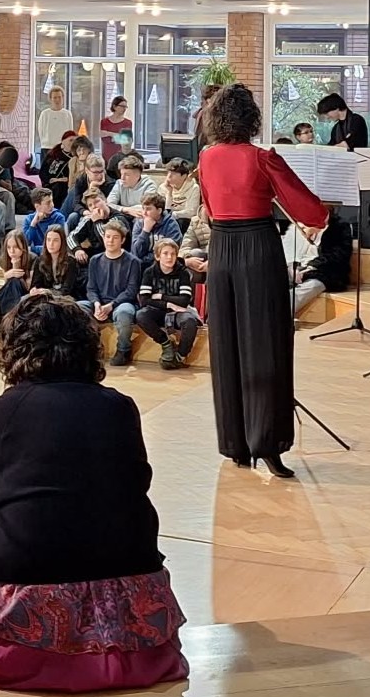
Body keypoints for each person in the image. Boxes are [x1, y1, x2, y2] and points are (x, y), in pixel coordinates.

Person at [0, 293, 187, 691]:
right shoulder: (120, 406)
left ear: (16, 350)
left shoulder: (0, 411)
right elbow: (136, 482)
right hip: (128, 575)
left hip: (32, 585)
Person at [198, 85, 332, 478]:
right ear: (251, 119)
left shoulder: (206, 157)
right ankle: (268, 444)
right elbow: (311, 211)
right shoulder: (263, 157)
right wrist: (323, 213)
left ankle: (236, 445)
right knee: (266, 344)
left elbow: (210, 208)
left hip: (221, 249)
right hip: (257, 246)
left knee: (227, 343)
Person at [85, 222, 142, 368]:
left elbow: (131, 290)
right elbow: (91, 288)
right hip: (99, 303)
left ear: (122, 240)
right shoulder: (94, 260)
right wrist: (97, 304)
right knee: (77, 308)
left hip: (121, 303)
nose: (110, 241)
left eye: (115, 237)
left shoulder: (133, 262)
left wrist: (111, 305)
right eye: (108, 237)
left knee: (124, 313)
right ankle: (87, 349)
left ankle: (123, 350)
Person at [138, 238, 200, 369]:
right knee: (141, 315)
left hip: (178, 312)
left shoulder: (183, 272)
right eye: (165, 253)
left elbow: (184, 301)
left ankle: (180, 356)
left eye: (173, 254)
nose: (169, 257)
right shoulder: (149, 272)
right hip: (159, 310)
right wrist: (168, 304)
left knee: (189, 321)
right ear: (157, 256)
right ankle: (166, 344)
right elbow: (144, 300)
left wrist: (161, 297)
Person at [36, 85, 75, 173]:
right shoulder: (45, 114)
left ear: (63, 98)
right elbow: (41, 131)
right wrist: (46, 142)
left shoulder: (67, 114)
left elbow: (70, 132)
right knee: (45, 172)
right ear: (50, 99)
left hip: (62, 149)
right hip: (47, 148)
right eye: (55, 97)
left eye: (59, 97)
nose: (57, 100)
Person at [99, 96, 132, 161]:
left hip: (121, 156)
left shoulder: (127, 123)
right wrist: (119, 136)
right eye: (122, 106)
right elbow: (105, 139)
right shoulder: (104, 122)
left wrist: (109, 133)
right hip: (107, 155)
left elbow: (125, 140)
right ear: (114, 107)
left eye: (125, 107)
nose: (124, 109)